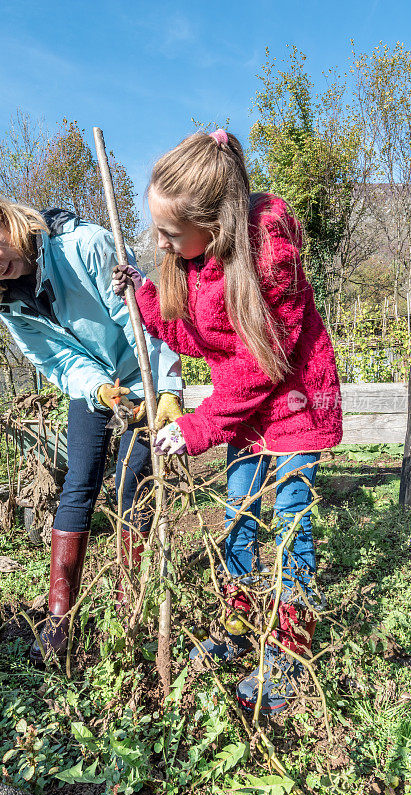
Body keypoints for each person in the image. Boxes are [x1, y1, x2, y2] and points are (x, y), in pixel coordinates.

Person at [113, 130, 343, 715]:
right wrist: (143, 300)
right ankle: (238, 623)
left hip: (292, 403)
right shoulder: (193, 259)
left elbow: (258, 362)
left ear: (213, 224)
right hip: (245, 411)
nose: (160, 243)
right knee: (238, 513)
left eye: (169, 232)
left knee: (290, 522)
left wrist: (197, 427)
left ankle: (291, 649)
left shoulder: (269, 253)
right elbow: (203, 338)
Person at [0, 184, 182, 662]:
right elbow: (55, 359)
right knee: (77, 486)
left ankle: (129, 604)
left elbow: (145, 321)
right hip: (96, 387)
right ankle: (60, 620)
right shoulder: (6, 301)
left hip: (141, 373)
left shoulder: (85, 246)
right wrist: (96, 387)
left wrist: (166, 389)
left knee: (130, 484)